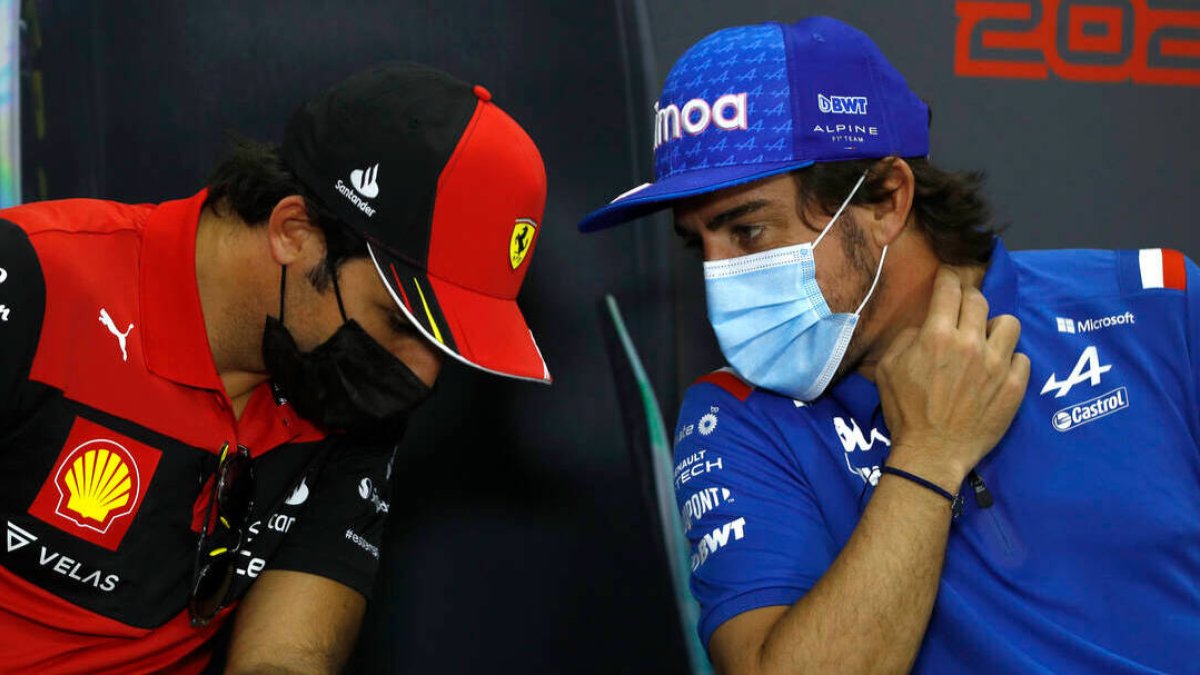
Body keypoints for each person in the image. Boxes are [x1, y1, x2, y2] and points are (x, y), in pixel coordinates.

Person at [580, 16, 1198, 674]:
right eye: (697, 244)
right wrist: (929, 455)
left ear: (885, 199)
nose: (718, 277)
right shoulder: (735, 419)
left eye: (748, 231)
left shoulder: (1154, 304)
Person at [0, 62, 550, 672]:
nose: (421, 378)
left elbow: (285, 659)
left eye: (445, 346)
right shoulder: (35, 287)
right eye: (400, 323)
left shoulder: (349, 400)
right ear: (295, 231)